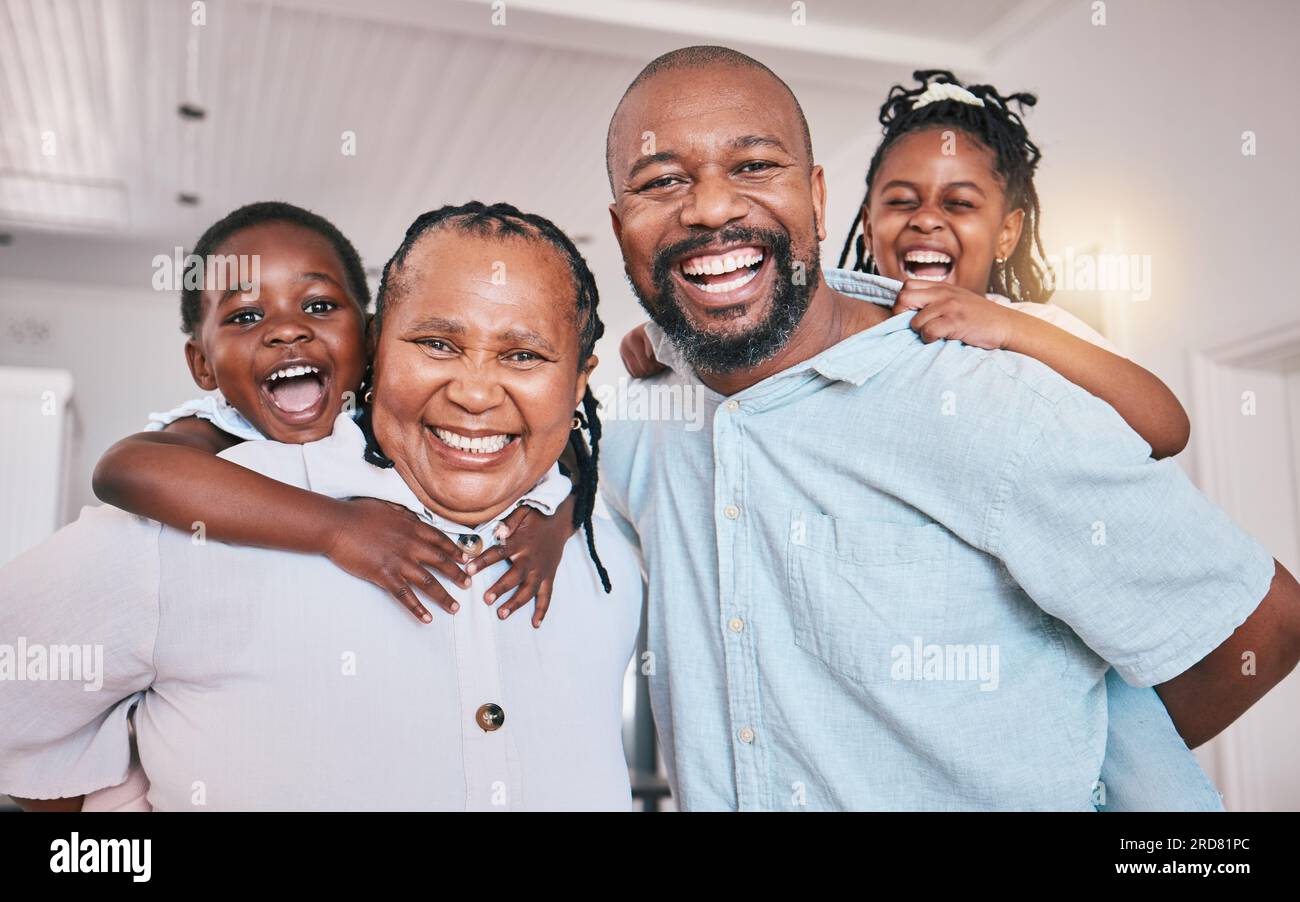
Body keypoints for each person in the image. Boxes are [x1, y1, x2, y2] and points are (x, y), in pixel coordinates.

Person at [599, 45, 1300, 810]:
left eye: (755, 165)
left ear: (818, 198)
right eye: (661, 180)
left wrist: (1086, 760)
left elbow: (1263, 625)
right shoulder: (641, 413)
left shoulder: (995, 393)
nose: (709, 207)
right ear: (620, 225)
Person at [0, 202, 642, 811]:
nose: (476, 393)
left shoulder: (602, 536)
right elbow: (124, 471)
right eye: (437, 344)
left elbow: (574, 451)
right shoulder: (178, 519)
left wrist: (560, 521)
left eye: (523, 355)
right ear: (381, 347)